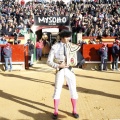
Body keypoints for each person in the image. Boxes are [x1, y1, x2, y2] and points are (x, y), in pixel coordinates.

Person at [47, 29, 80, 119]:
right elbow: (48, 61)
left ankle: (74, 110)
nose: (68, 38)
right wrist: (58, 65)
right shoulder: (55, 46)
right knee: (57, 90)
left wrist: (75, 63)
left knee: (73, 89)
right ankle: (56, 111)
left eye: (69, 37)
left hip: (70, 70)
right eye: (66, 37)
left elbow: (75, 59)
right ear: (62, 37)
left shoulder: (72, 46)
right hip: (60, 70)